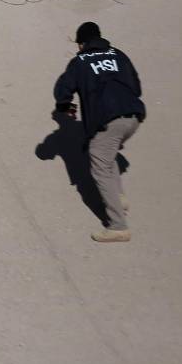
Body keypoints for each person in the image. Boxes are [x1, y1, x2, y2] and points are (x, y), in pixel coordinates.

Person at [53, 22, 146, 243]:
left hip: (108, 118)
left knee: (100, 164)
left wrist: (64, 106)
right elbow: (136, 87)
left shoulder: (80, 61)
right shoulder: (119, 55)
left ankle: (118, 227)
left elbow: (62, 90)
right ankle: (118, 198)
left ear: (81, 43)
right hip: (134, 115)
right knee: (106, 153)